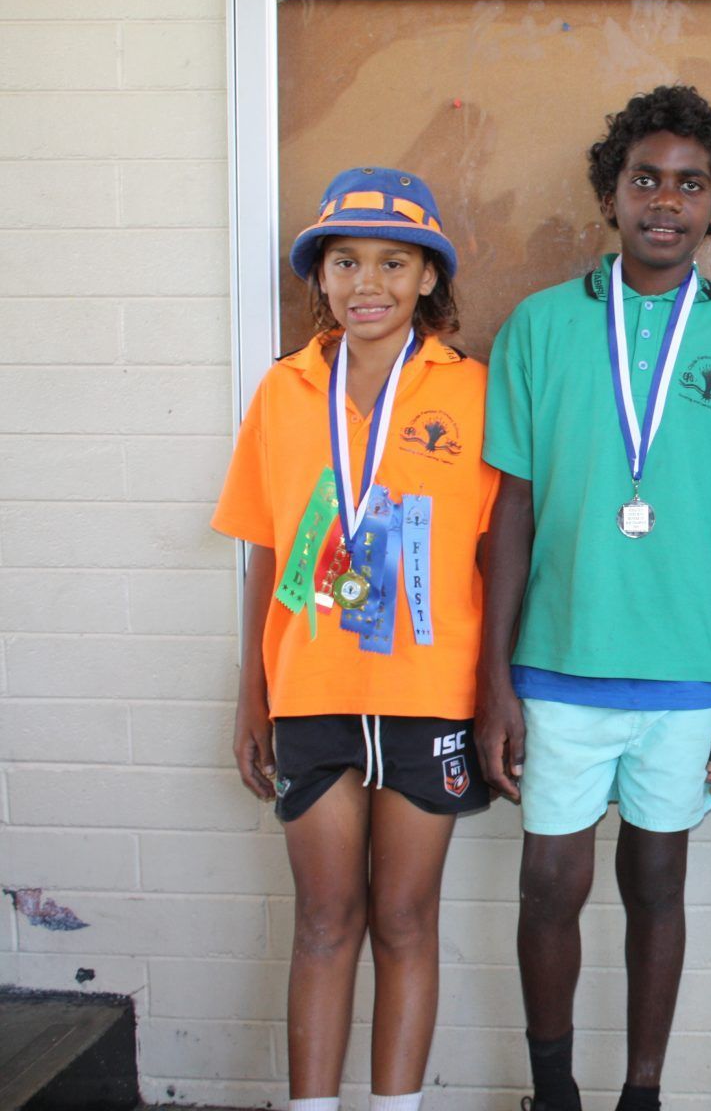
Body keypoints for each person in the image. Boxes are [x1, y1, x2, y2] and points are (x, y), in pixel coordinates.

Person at [476, 85, 711, 1111]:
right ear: (610, 193)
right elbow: (510, 510)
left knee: (659, 886)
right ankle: (553, 1088)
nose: (666, 200)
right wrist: (495, 681)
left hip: (689, 671)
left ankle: (642, 1093)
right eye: (645, 178)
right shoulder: (539, 326)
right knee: (551, 886)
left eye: (690, 184)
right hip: (561, 659)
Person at [215, 166, 499, 1111]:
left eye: (392, 261)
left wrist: (500, 693)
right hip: (313, 693)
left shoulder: (474, 392)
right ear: (321, 278)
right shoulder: (287, 389)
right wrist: (254, 691)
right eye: (344, 261)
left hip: (431, 696)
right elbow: (266, 547)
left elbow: (500, 557)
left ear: (428, 276)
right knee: (326, 919)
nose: (365, 281)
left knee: (406, 920)